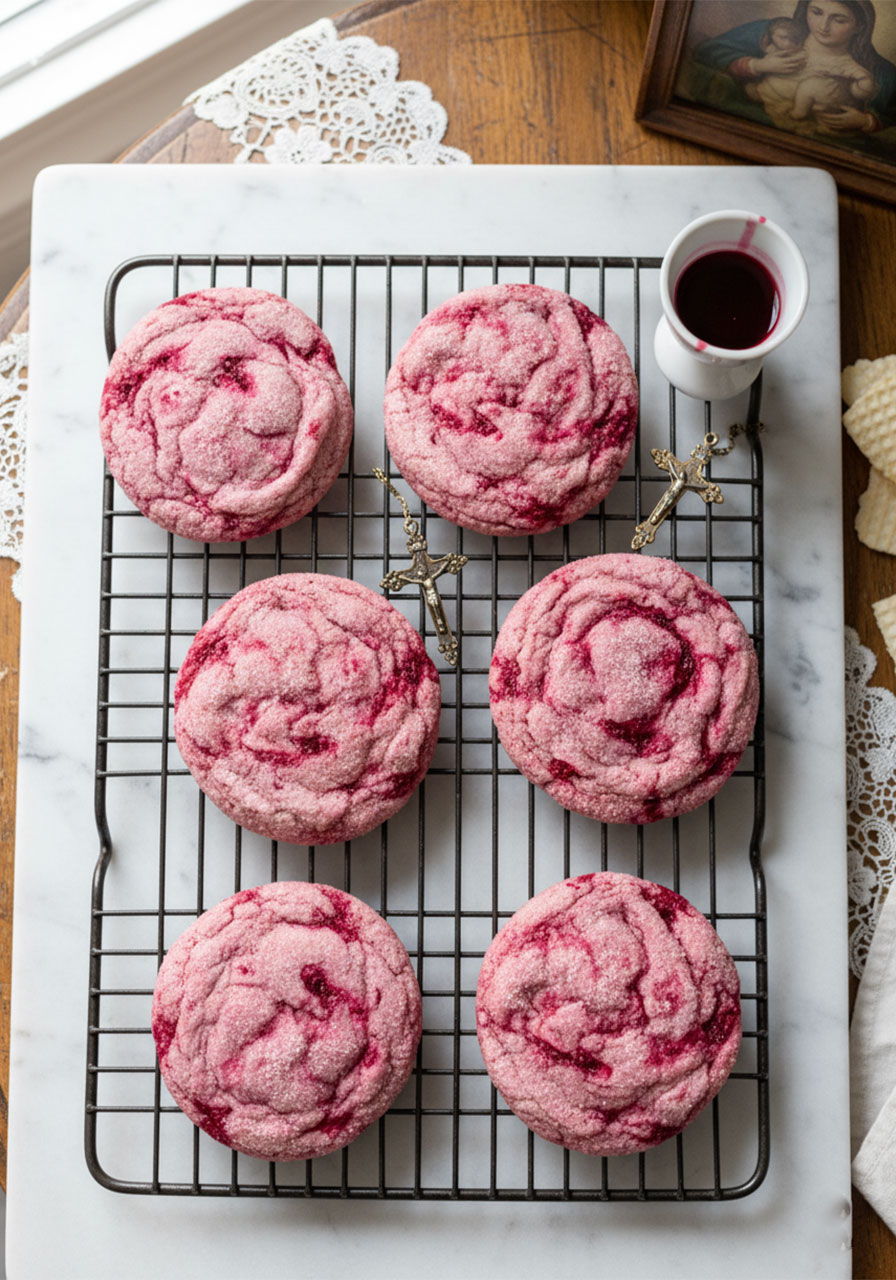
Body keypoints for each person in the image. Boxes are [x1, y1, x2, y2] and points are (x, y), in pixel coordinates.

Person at [693, 0, 896, 137]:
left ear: (860, 26)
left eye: (839, 19)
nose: (823, 26)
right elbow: (708, 51)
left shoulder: (878, 71)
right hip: (739, 129)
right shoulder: (777, 33)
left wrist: (866, 122)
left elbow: (891, 112)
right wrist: (757, 65)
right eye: (816, 12)